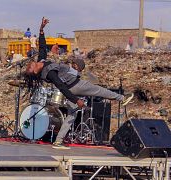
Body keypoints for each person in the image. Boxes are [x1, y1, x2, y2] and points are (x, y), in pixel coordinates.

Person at [25, 17, 134, 149]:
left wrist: (41, 30)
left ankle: (58, 141)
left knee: (72, 114)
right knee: (97, 90)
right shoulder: (49, 73)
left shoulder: (42, 60)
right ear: (35, 71)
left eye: (29, 66)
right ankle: (122, 98)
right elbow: (62, 87)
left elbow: (42, 47)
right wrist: (77, 100)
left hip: (72, 87)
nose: (30, 65)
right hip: (74, 86)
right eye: (30, 68)